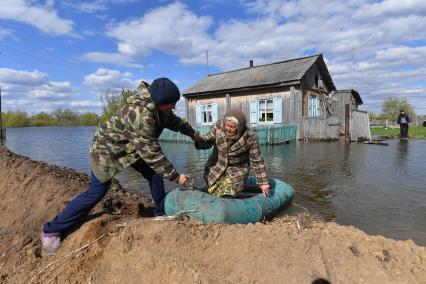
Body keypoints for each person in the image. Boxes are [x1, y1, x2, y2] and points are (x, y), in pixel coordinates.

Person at [41, 78, 201, 254]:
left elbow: (176, 122)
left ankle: (160, 213)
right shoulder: (140, 115)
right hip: (106, 151)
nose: (173, 108)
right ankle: (51, 230)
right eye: (171, 104)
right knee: (97, 192)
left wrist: (194, 135)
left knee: (154, 175)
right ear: (160, 102)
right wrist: (176, 177)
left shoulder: (158, 108)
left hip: (131, 148)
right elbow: (152, 153)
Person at [194, 109, 269, 197]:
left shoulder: (250, 137)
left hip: (237, 170)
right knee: (212, 188)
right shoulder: (218, 128)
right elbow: (206, 142)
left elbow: (257, 159)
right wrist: (199, 140)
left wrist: (263, 182)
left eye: (232, 127)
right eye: (227, 125)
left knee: (228, 192)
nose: (228, 129)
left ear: (239, 127)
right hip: (217, 167)